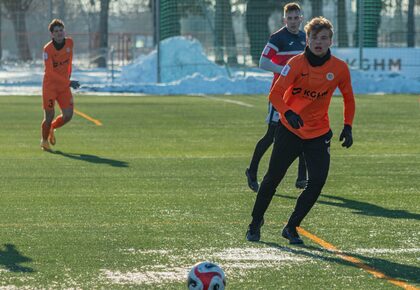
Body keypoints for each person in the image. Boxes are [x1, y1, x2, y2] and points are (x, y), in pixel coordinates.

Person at [246, 16, 356, 244]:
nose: (318, 42)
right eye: (314, 37)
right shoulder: (295, 64)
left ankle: (291, 226)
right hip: (290, 130)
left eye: (323, 38)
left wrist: (348, 125)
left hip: (318, 134)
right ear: (307, 39)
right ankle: (255, 223)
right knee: (272, 179)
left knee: (316, 182)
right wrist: (288, 112)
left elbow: (348, 97)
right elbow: (275, 94)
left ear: (330, 41)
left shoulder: (339, 68)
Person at [246, 3, 307, 192]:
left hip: (301, 96)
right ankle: (252, 171)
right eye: (290, 18)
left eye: (296, 18)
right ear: (284, 20)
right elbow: (263, 62)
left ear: (301, 19)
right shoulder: (278, 38)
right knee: (271, 136)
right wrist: (285, 71)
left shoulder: (306, 38)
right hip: (280, 94)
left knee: (304, 133)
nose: (293, 22)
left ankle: (301, 177)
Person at [41, 19, 80, 151]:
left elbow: (69, 62)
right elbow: (50, 73)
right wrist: (68, 82)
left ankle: (52, 127)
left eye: (61, 30)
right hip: (50, 87)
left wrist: (68, 77)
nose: (59, 33)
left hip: (63, 86)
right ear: (52, 34)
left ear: (64, 31)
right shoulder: (48, 49)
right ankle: (44, 141)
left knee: (68, 115)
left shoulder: (70, 42)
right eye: (56, 31)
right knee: (49, 116)